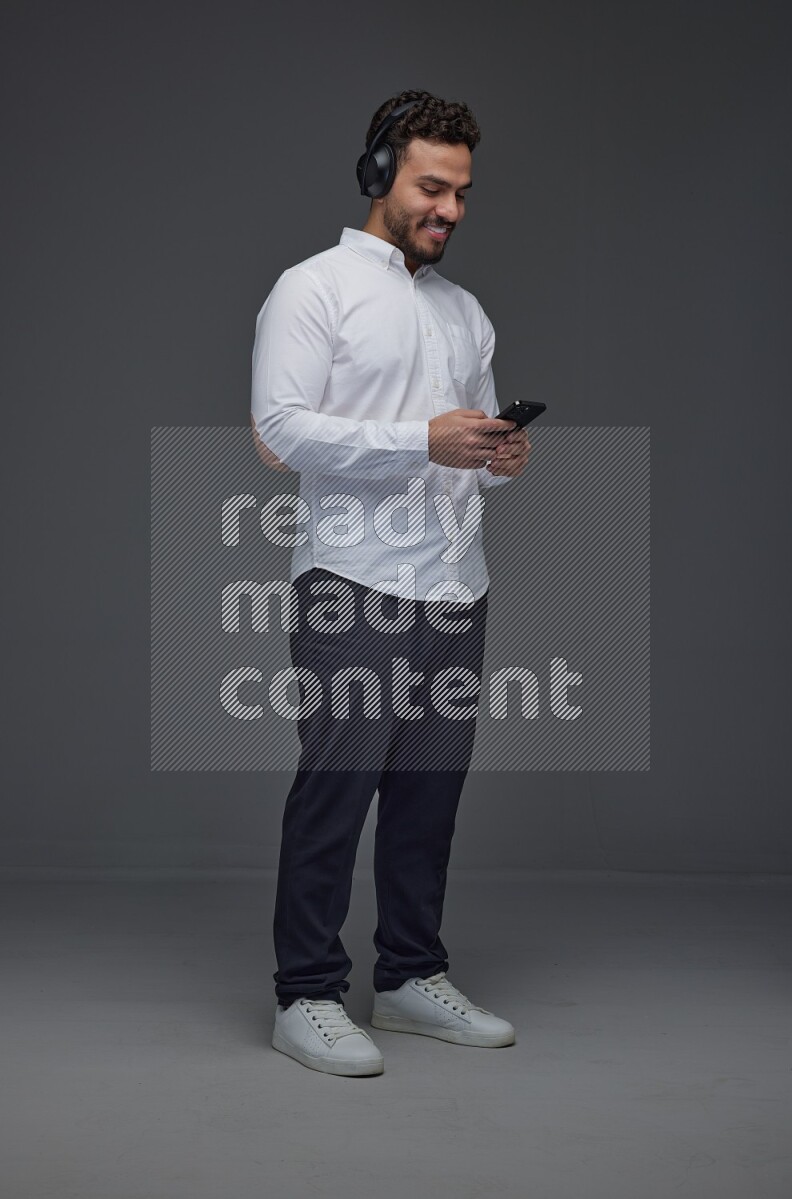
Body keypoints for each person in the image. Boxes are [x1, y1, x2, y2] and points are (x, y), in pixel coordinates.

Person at [250, 89, 532, 1076]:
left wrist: (494, 450)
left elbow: (470, 432)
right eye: (430, 185)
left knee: (427, 795)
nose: (449, 208)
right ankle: (306, 991)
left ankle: (409, 975)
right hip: (352, 582)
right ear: (379, 173)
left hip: (455, 582)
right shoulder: (311, 289)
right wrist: (420, 437)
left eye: (460, 192)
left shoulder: (464, 311)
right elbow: (278, 431)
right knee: (337, 789)